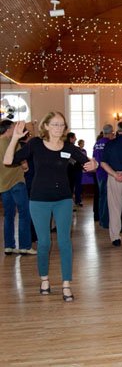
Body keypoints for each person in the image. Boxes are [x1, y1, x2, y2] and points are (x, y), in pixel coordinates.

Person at [3, 114, 97, 302]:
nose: (58, 128)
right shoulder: (35, 144)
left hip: (63, 199)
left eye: (61, 125)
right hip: (39, 200)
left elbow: (88, 164)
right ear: (45, 125)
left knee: (65, 242)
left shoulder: (69, 148)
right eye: (54, 124)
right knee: (44, 243)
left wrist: (92, 164)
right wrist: (15, 138)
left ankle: (66, 284)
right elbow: (8, 160)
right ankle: (44, 279)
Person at [0, 120, 34, 255]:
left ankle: (9, 246)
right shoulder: (13, 144)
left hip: (3, 184)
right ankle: (25, 246)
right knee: (24, 213)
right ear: (8, 129)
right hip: (17, 183)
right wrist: (25, 167)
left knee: (8, 215)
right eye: (14, 127)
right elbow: (25, 165)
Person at [93, 124, 114, 229]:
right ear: (110, 133)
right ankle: (106, 221)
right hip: (107, 173)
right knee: (107, 198)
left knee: (101, 197)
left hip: (98, 173)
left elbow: (94, 158)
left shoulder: (97, 143)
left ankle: (101, 219)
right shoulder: (109, 144)